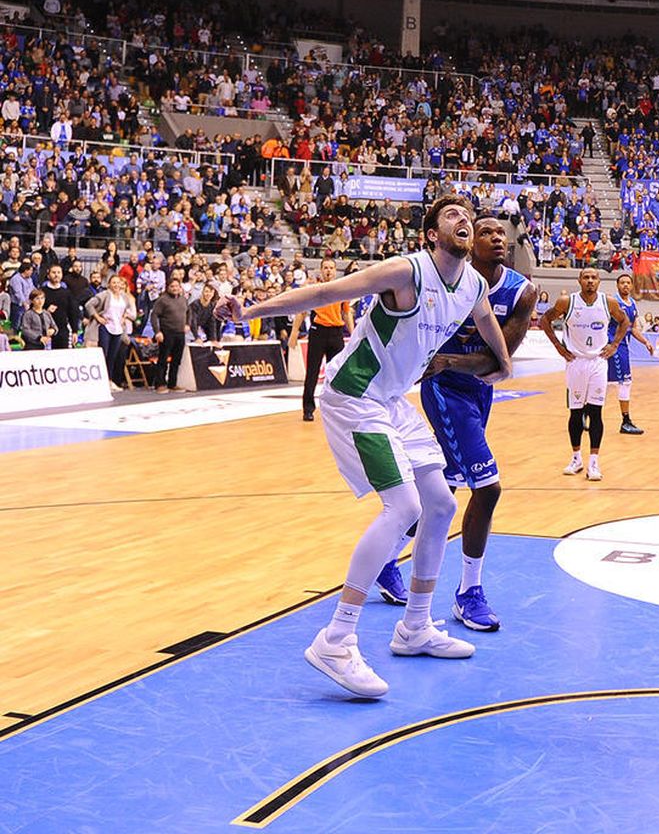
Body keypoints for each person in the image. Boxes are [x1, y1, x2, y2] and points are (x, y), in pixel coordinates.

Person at [216, 194, 514, 698]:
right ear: (431, 234)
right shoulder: (406, 272)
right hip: (354, 394)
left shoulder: (473, 285)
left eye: (467, 214)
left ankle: (415, 627)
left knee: (441, 503)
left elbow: (488, 327)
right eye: (451, 216)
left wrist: (501, 363)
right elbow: (325, 290)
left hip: (394, 400)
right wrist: (250, 310)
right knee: (404, 506)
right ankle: (336, 638)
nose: (463, 220)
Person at [406, 216, 540, 631]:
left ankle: (388, 557)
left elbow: (498, 361)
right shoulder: (446, 280)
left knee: (443, 487)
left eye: (503, 233)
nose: (498, 238)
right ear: (469, 242)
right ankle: (469, 593)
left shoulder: (522, 291)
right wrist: (444, 365)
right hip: (444, 391)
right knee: (488, 487)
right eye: (487, 232)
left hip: (478, 390)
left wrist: (446, 359)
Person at [539, 267, 630, 481]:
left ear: (599, 281)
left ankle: (594, 463)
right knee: (576, 413)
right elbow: (545, 320)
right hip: (576, 362)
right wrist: (558, 347)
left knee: (596, 413)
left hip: (598, 362)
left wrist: (615, 344)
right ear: (579, 280)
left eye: (594, 278)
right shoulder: (567, 302)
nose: (590, 281)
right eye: (586, 277)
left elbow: (624, 321)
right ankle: (576, 458)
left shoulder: (608, 302)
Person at [292, 259, 354, 422]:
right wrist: (294, 333)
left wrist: (354, 335)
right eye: (325, 268)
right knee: (312, 373)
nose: (328, 271)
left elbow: (346, 313)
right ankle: (308, 409)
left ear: (335, 271)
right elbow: (302, 312)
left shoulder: (342, 289)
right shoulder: (314, 289)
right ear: (321, 270)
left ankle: (338, 408)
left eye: (331, 268)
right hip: (318, 332)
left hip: (336, 333)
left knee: (337, 374)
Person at [607, 273, 656, 434]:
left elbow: (633, 328)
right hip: (612, 346)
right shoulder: (613, 302)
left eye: (628, 282)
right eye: (622, 283)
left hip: (623, 347)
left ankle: (623, 421)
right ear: (617, 285)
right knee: (614, 383)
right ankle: (624, 421)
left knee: (620, 382)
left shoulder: (633, 303)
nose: (626, 285)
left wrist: (646, 342)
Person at [87, 274, 137, 387]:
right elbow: (89, 305)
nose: (116, 285)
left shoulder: (124, 297)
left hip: (118, 329)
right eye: (113, 282)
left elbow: (128, 309)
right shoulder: (104, 295)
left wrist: (124, 316)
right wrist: (97, 317)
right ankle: (100, 380)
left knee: (112, 356)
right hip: (105, 327)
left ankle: (109, 380)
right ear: (109, 284)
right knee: (103, 354)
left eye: (118, 282)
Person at [150, 276, 191, 392]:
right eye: (172, 286)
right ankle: (160, 384)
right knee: (163, 359)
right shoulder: (162, 300)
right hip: (166, 333)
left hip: (180, 333)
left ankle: (172, 384)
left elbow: (189, 312)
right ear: (167, 287)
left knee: (176, 360)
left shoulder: (183, 299)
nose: (175, 288)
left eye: (177, 286)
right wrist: (157, 332)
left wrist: (188, 324)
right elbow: (154, 315)